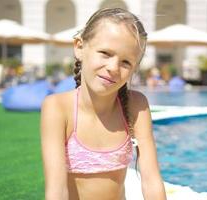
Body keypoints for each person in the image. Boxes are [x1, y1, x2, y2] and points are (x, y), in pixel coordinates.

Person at [40, 8, 166, 200]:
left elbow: (151, 180)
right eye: (105, 53)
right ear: (79, 47)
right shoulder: (58, 108)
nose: (113, 68)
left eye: (126, 62)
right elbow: (57, 191)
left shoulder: (136, 105)